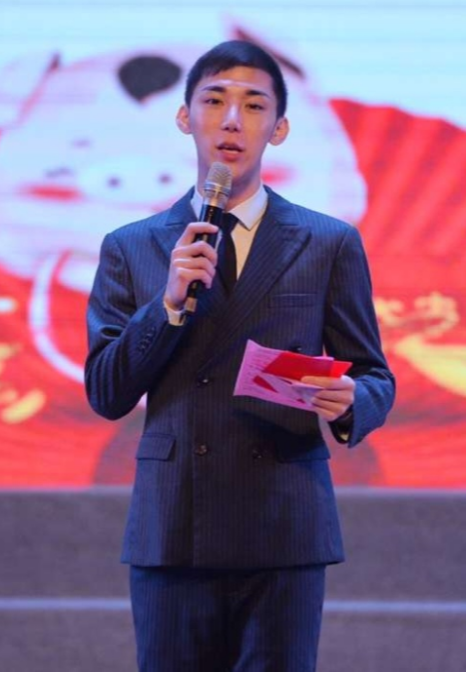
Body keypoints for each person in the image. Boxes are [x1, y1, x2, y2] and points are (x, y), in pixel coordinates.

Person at [85, 39, 395, 673]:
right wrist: (167, 305)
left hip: (283, 522)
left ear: (279, 128)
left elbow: (374, 376)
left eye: (254, 106)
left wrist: (351, 402)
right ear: (184, 117)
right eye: (214, 102)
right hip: (175, 524)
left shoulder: (327, 242)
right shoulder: (132, 246)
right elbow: (106, 391)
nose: (232, 120)